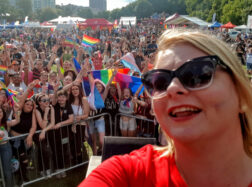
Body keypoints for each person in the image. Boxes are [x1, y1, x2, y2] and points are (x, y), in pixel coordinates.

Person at [79, 29, 252, 186]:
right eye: (159, 82)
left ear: (240, 92)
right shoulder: (128, 174)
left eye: (197, 74)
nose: (172, 88)